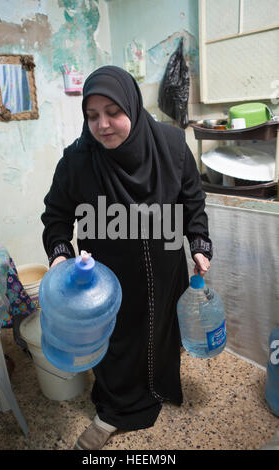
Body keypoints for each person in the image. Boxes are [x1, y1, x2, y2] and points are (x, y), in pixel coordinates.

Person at [41, 65, 212, 450]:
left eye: (113, 111)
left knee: (161, 334)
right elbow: (56, 216)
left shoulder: (170, 144)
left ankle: (158, 387)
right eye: (92, 115)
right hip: (108, 280)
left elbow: (192, 200)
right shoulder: (78, 160)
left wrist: (198, 243)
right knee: (116, 344)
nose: (102, 125)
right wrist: (59, 255)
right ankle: (113, 413)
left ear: (132, 107)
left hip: (166, 270)